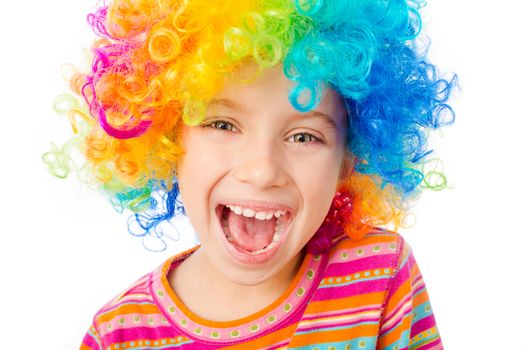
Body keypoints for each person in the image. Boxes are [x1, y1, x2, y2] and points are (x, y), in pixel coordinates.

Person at [45, 0, 455, 349]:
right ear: (168, 138)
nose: (261, 171)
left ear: (348, 160)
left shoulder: (377, 276)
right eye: (222, 125)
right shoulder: (121, 334)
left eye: (304, 136)